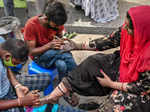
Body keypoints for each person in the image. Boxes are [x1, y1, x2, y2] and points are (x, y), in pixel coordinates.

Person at [38, 5, 150, 112]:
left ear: (143, 31)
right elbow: (109, 40)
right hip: (125, 64)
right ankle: (52, 97)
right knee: (92, 63)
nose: (124, 28)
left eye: (128, 27)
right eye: (124, 24)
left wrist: (111, 84)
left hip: (140, 89)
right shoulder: (128, 28)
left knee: (115, 106)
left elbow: (143, 88)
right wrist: (77, 46)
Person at [23, 1, 77, 82]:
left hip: (54, 53)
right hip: (39, 57)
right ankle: (77, 78)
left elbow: (59, 35)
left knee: (61, 65)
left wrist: (61, 40)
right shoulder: (31, 25)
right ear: (46, 19)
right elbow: (31, 52)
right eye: (56, 25)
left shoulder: (57, 21)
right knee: (66, 54)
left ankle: (63, 87)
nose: (58, 27)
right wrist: (49, 46)